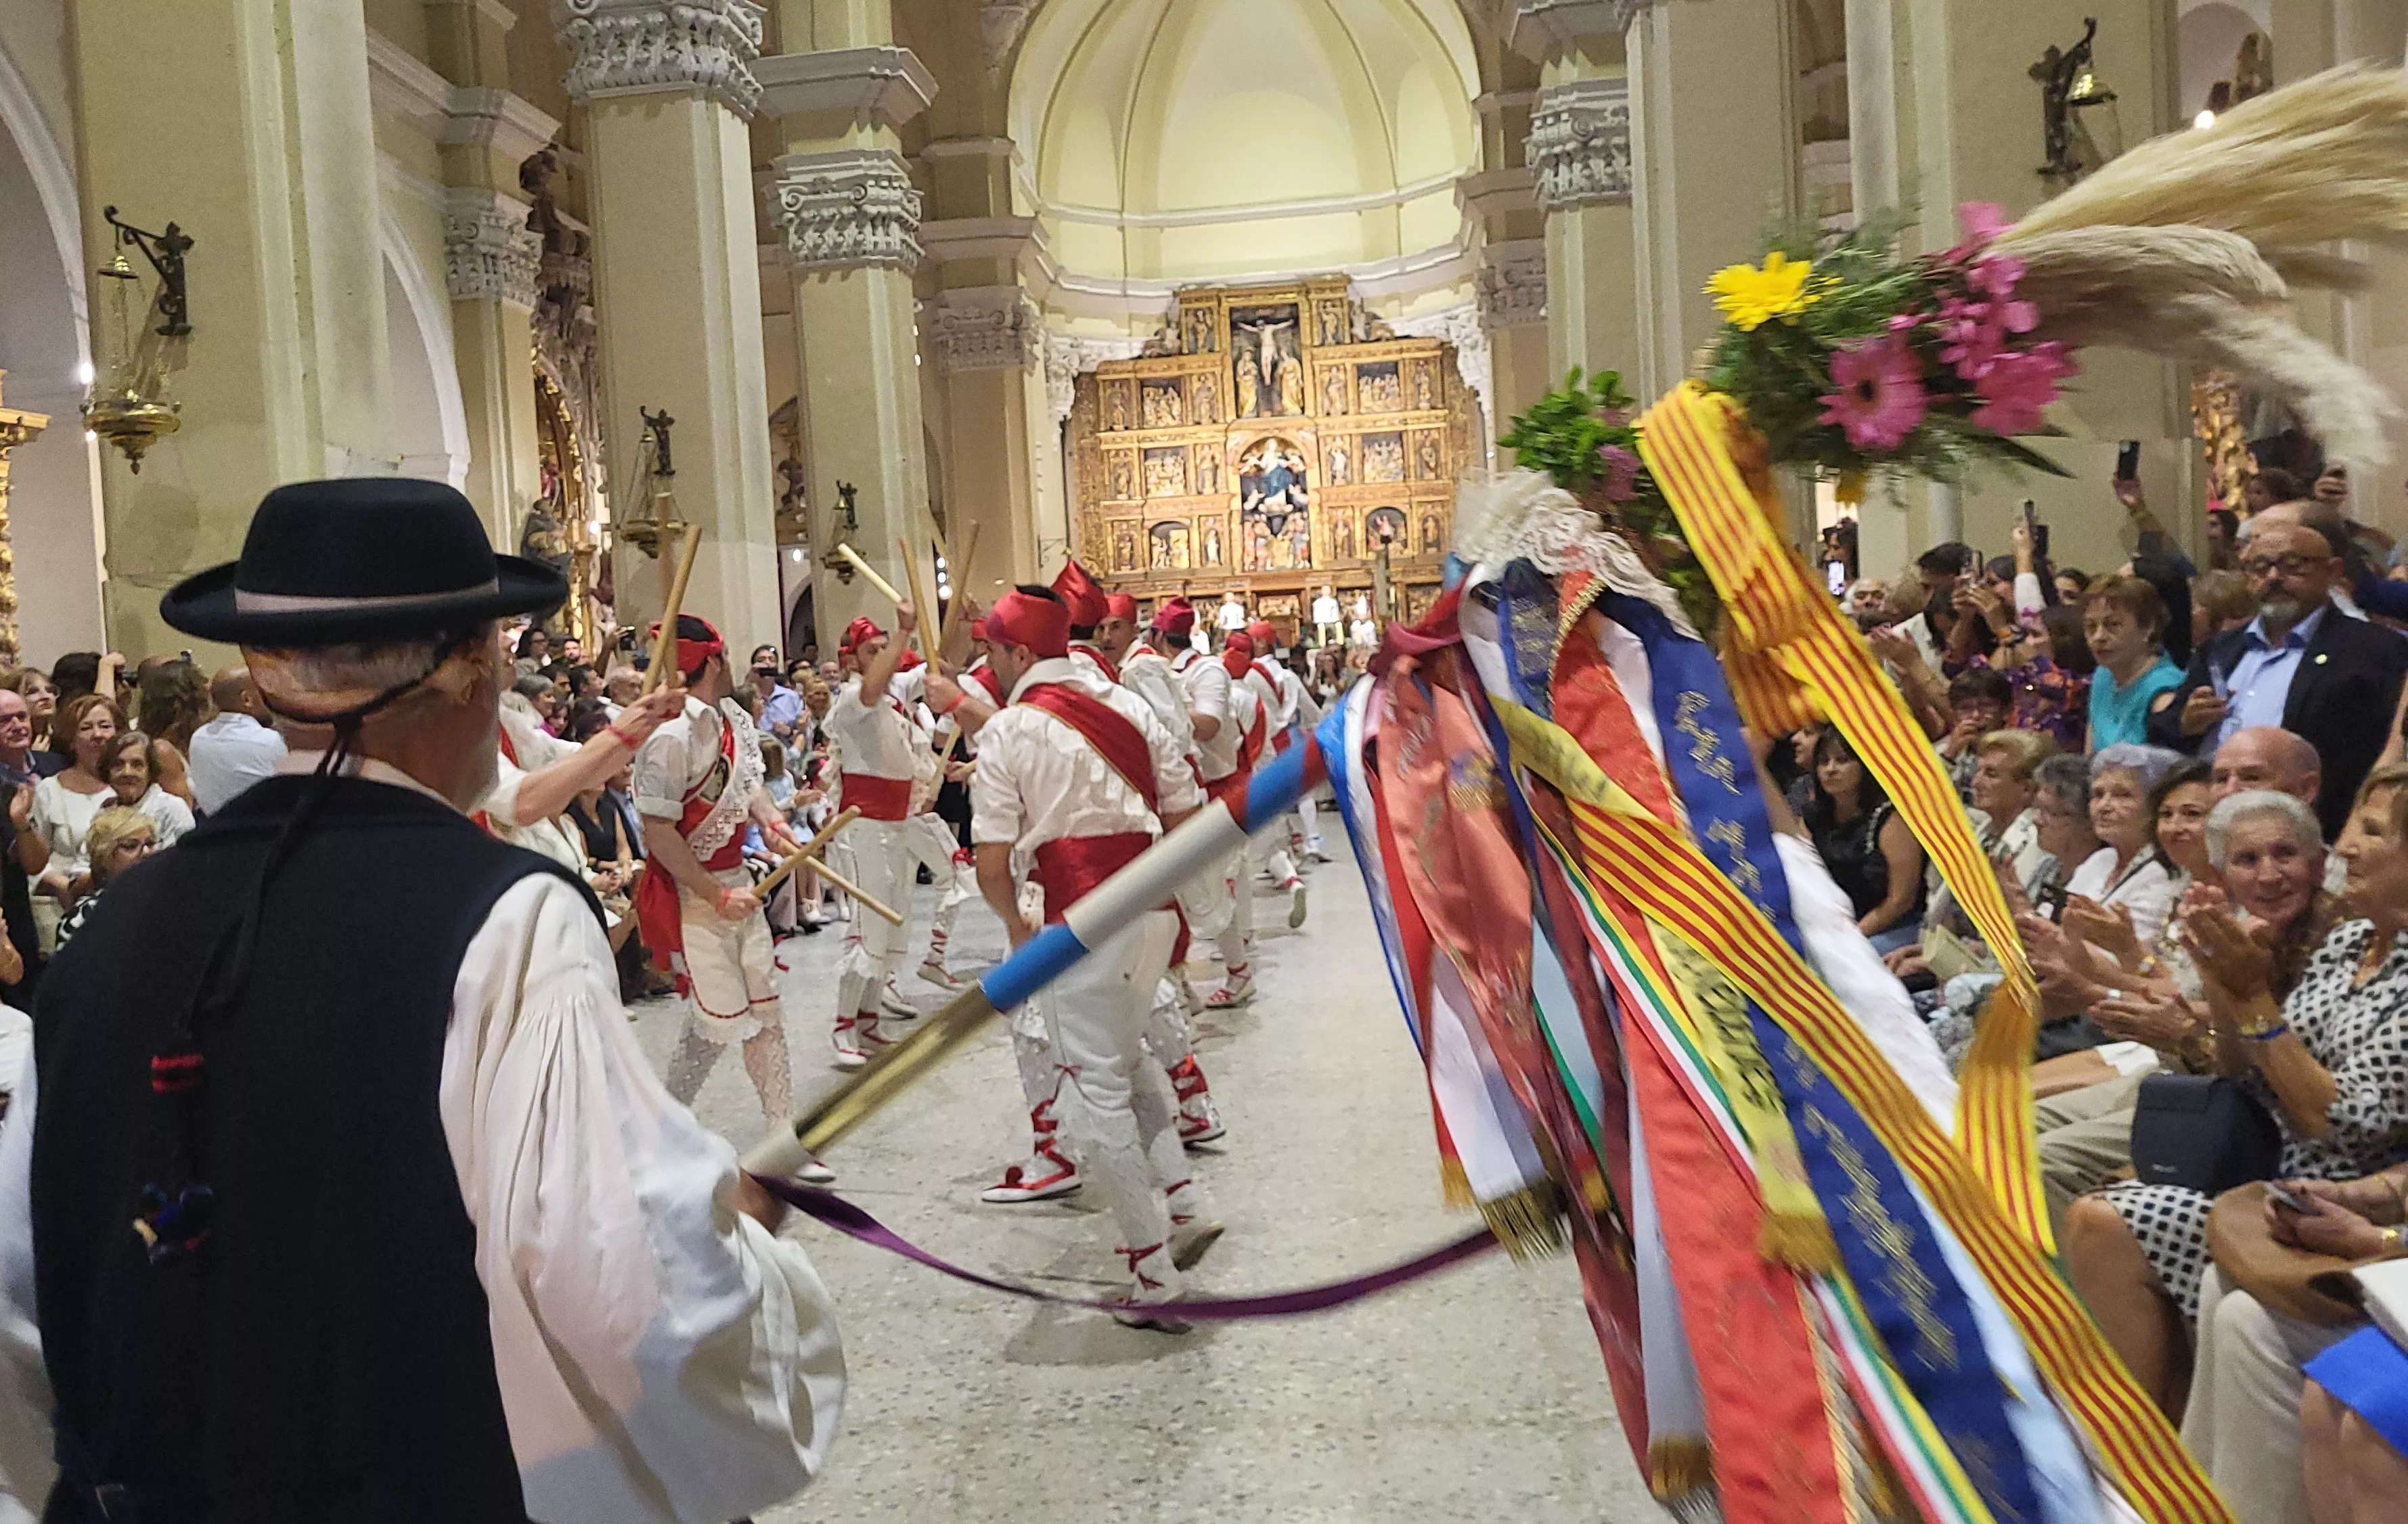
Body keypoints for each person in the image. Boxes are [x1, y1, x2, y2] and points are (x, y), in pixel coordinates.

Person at [0, 477, 843, 1522]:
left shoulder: (110, 933)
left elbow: (19, 1283)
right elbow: (619, 1287)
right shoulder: (511, 919)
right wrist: (745, 1251)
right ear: (469, 671)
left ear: (270, 681)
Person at [2066, 761, 2408, 1415]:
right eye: (2248, 859)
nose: (2349, 847)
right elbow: (2240, 1067)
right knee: (2102, 1205)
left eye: (2370, 831)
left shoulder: (2334, 934)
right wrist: (2220, 978)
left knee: (2102, 1218)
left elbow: (2330, 1120)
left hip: (2326, 1207)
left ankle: (2141, 1456)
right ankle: (2139, 1446)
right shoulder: (2356, 942)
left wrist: (2244, 996)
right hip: (2261, 1173)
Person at [957, 587, 1220, 1328]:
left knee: (1091, 1090)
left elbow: (992, 859)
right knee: (1129, 1061)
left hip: (1076, 922)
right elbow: (1184, 807)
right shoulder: (1129, 705)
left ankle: (1153, 1271)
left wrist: (1016, 931)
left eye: (992, 652)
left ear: (1015, 652)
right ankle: (1183, 1198)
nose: (990, 664)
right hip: (1151, 908)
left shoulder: (1010, 729)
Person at [629, 614, 823, 1155]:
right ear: (713, 660)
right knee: (715, 1023)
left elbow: (748, 785)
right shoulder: (668, 738)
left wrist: (772, 821)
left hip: (738, 883)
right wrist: (715, 895)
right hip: (697, 896)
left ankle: (781, 1135)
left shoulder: (731, 718)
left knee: (764, 1009)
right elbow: (659, 832)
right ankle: (660, 1123)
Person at [2154, 521, 2408, 837]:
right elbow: (2162, 729)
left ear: (2332, 571)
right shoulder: (2220, 649)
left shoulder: (2377, 650)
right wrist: (2184, 722)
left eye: (2293, 566)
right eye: (2260, 568)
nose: (2273, 577)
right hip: (2215, 827)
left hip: (2317, 827)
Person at [820, 611, 974, 1064]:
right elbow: (872, 687)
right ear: (851, 659)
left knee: (893, 921)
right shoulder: (852, 699)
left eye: (885, 650)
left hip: (896, 823)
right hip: (863, 825)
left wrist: (963, 626)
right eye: (874, 650)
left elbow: (938, 667)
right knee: (871, 925)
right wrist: (904, 631)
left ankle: (868, 1019)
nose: (885, 658)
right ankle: (842, 1027)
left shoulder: (889, 699)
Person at [1800, 729, 1925, 953]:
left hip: (1899, 925)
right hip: (1839, 926)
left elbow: (1902, 900)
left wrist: (1853, 937)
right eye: (1823, 761)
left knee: (1844, 963)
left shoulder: (1891, 819)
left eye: (1842, 760)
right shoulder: (1813, 817)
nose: (1830, 769)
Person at [24, 696, 125, 913]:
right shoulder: (50, 789)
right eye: (86, 728)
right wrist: (64, 885)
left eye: (105, 726)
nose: (97, 735)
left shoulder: (131, 785)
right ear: (72, 740)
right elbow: (34, 860)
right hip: (65, 907)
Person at [2084, 574, 2183, 750]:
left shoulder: (2166, 690)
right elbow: (2090, 759)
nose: (2098, 637)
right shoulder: (2103, 675)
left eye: (2113, 625)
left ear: (2148, 628)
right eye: (2091, 627)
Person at [185, 666, 287, 815]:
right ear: (247, 700)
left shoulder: (198, 738)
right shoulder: (268, 741)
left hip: (214, 830)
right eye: (265, 691)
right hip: (266, 832)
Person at [50, 807, 154, 952]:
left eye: (150, 843)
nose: (146, 852)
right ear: (105, 856)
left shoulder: (170, 905)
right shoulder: (85, 918)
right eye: (130, 846)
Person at [97, 732, 195, 847]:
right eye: (118, 765)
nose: (127, 772)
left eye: (137, 765)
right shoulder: (106, 809)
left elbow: (187, 857)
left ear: (150, 771)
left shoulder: (172, 809)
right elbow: (86, 858)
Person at [753, 660, 803, 742]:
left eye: (771, 659)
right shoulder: (748, 697)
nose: (767, 664)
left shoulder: (791, 696)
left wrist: (789, 732)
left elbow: (802, 733)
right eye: (762, 660)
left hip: (787, 749)